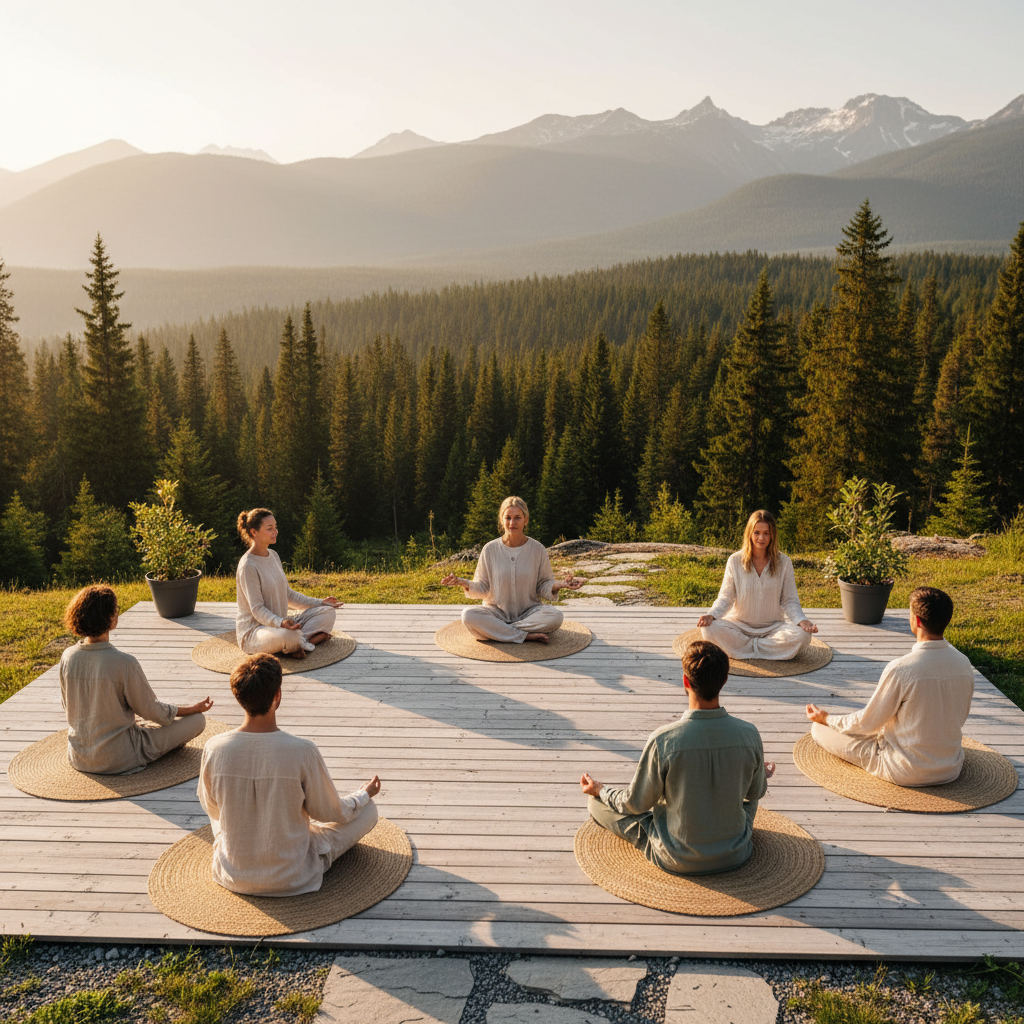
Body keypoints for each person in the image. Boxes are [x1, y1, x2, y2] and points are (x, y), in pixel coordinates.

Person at [580, 640, 773, 875]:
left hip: (676, 857)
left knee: (597, 804)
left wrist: (600, 790)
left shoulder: (664, 739)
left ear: (685, 681)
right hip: (736, 853)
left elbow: (635, 803)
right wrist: (759, 772)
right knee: (747, 803)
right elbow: (755, 793)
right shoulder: (749, 733)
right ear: (725, 680)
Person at [198, 653, 380, 896]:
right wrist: (363, 795)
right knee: (367, 810)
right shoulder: (302, 750)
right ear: (278, 696)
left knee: (221, 815)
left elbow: (213, 810)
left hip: (233, 874)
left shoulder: (214, 747)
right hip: (293, 876)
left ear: (238, 696)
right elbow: (329, 812)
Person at [805, 587, 974, 786]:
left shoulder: (901, 669)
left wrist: (826, 718)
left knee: (819, 730)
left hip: (904, 769)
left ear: (917, 621)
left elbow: (867, 724)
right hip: (950, 767)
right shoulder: (964, 664)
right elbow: (959, 717)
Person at [59, 585, 212, 774]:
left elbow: (68, 706)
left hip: (79, 756)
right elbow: (153, 712)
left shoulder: (68, 656)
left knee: (141, 720)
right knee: (198, 720)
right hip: (119, 757)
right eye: (116, 611)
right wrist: (192, 709)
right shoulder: (124, 663)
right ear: (111, 619)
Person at [440, 496, 582, 644]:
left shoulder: (538, 549)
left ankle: (501, 631)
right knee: (468, 615)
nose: (512, 523)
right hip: (496, 612)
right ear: (502, 519)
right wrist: (462, 582)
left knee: (556, 616)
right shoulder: (490, 549)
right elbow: (483, 587)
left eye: (517, 518)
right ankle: (524, 635)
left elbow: (542, 585)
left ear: (526, 520)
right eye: (507, 518)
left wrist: (559, 585)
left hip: (529, 612)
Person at [697, 509, 818, 660]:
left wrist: (802, 620)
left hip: (774, 628)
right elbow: (726, 597)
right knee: (709, 630)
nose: (761, 538)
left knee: (803, 636)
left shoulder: (784, 562)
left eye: (766, 533)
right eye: (757, 532)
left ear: (772, 534)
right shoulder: (734, 560)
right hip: (739, 627)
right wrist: (712, 615)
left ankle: (746, 648)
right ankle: (765, 649)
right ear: (750, 533)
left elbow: (789, 600)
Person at [235, 508, 342, 659]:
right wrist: (281, 623)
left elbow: (288, 595)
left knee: (328, 612)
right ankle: (306, 641)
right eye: (269, 528)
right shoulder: (248, 566)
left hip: (282, 624)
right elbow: (257, 610)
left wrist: (321, 603)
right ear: (254, 532)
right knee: (290, 636)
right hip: (256, 632)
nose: (275, 531)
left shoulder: (273, 556)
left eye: (275, 527)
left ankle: (300, 644)